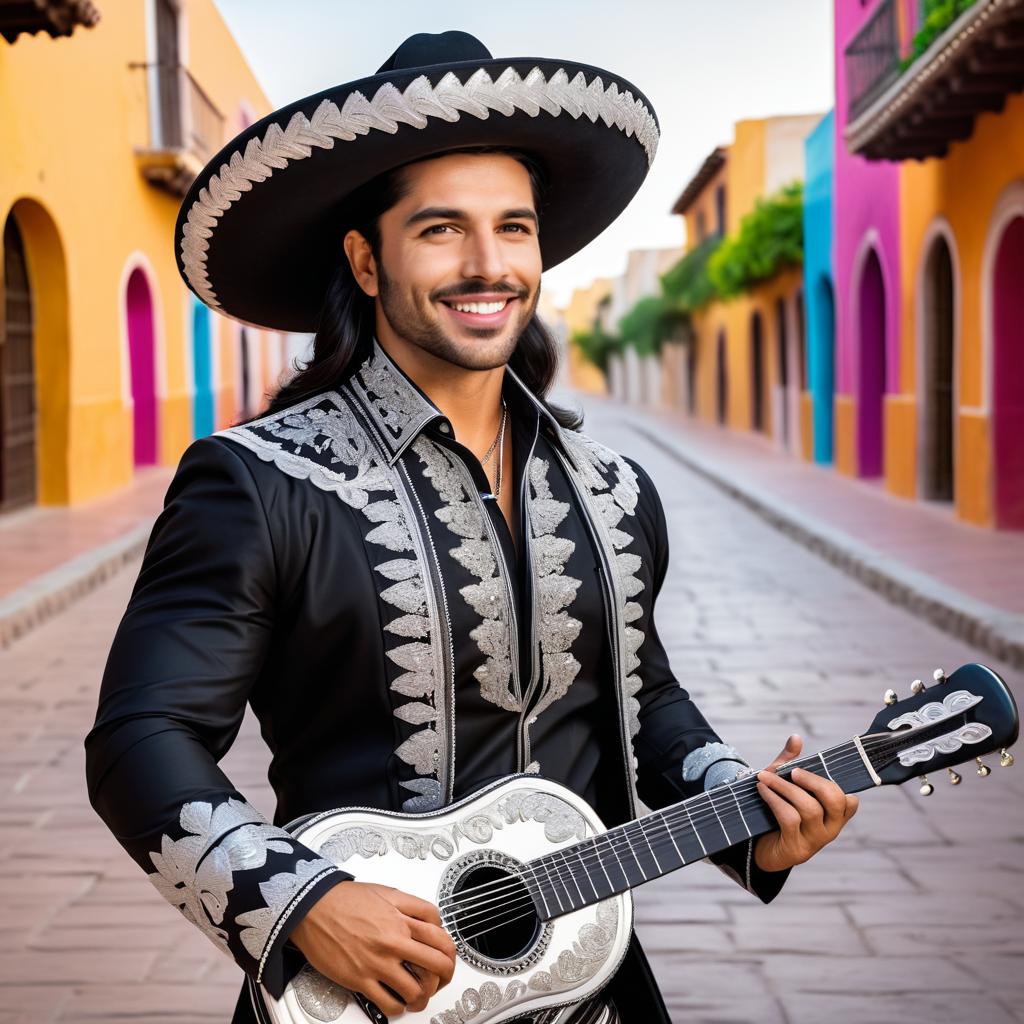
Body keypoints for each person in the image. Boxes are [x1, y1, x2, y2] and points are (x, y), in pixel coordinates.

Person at [85, 30, 858, 1024]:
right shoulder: (256, 481)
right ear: (366, 260)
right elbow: (143, 737)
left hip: (592, 988)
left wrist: (743, 805)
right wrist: (304, 901)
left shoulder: (613, 487)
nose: (488, 264)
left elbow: (636, 691)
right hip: (362, 996)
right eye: (442, 229)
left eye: (515, 228)